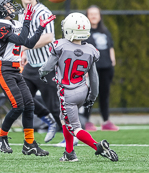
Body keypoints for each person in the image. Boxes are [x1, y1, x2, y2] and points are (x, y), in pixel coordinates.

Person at [39, 12, 118, 162]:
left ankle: (98, 146)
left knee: (74, 127)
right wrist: (92, 96)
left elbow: (48, 66)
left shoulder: (60, 45)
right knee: (64, 120)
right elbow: (94, 78)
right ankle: (69, 153)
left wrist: (41, 72)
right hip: (83, 90)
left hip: (67, 92)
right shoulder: (91, 50)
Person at [0, 0, 55, 155]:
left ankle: (29, 143)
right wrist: (29, 21)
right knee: (18, 106)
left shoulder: (14, 22)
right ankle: (1, 137)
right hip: (4, 70)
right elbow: (20, 40)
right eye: (7, 5)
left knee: (29, 105)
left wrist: (41, 26)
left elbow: (29, 43)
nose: (11, 7)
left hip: (16, 70)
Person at [17, 0, 62, 143]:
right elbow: (24, 37)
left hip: (47, 66)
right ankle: (48, 122)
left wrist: (24, 48)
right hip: (30, 67)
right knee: (21, 98)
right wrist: (24, 54)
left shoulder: (43, 12)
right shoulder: (21, 14)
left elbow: (48, 37)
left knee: (55, 106)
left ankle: (69, 136)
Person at [82, 5, 118, 131]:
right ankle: (85, 121)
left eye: (96, 14)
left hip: (106, 68)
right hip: (92, 69)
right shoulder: (84, 32)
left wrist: (112, 61)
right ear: (87, 16)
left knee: (104, 95)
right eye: (91, 13)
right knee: (90, 95)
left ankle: (106, 121)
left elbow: (111, 47)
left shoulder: (105, 31)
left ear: (100, 16)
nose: (93, 16)